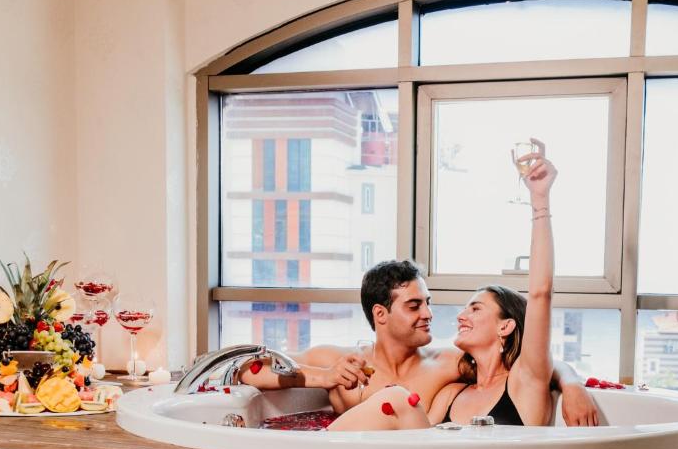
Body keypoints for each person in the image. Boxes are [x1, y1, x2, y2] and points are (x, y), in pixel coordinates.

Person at [239, 145, 598, 427]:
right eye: (414, 306)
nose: (430, 314)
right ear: (380, 313)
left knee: (395, 400)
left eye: (427, 302)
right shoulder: (343, 362)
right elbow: (249, 368)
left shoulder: (450, 365)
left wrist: (572, 384)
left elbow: (537, 334)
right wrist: (324, 378)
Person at [328, 140, 557, 430]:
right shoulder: (451, 393)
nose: (461, 316)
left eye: (475, 308)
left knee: (398, 398)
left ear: (506, 326)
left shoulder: (526, 380)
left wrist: (540, 201)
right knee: (397, 399)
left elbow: (540, 293)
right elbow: (418, 443)